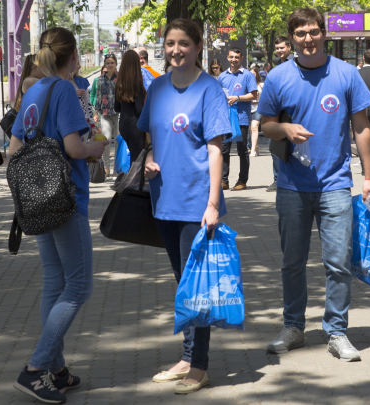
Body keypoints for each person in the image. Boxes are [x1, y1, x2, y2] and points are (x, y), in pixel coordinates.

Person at [257, 7, 370, 362]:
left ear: (324, 33)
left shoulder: (346, 74)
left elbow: (361, 127)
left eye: (313, 32)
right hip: (293, 185)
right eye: (300, 34)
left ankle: (337, 331)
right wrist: (285, 129)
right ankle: (293, 327)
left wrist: (369, 177)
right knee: (292, 262)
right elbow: (266, 126)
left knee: (338, 263)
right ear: (291, 38)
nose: (307, 39)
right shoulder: (278, 77)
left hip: (336, 185)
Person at [8, 27, 109, 404]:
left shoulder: (33, 90)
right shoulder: (65, 89)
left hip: (36, 198)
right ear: (74, 56)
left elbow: (14, 147)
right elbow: (73, 147)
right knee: (79, 285)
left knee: (54, 280)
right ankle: (35, 369)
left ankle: (56, 370)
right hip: (66, 196)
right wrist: (95, 147)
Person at [138, 18, 231, 395]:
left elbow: (215, 148)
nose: (176, 50)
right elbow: (149, 132)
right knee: (183, 286)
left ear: (197, 46)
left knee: (198, 287)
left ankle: (200, 367)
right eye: (170, 43)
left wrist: (212, 204)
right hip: (163, 200)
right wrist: (147, 158)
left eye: (183, 44)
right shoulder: (157, 86)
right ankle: (187, 357)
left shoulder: (210, 89)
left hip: (197, 204)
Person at [218, 47, 257, 191]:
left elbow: (254, 95)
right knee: (224, 150)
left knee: (242, 151)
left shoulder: (247, 75)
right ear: (227, 58)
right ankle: (223, 181)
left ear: (241, 59)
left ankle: (242, 181)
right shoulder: (222, 76)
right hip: (226, 119)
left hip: (241, 119)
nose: (233, 59)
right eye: (231, 57)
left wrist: (238, 98)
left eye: (236, 57)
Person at [267, 36, 294, 192]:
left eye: (282, 48)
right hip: (279, 110)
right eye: (277, 48)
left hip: (291, 112)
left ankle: (285, 180)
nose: (279, 51)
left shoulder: (295, 63)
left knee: (289, 147)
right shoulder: (279, 64)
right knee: (275, 146)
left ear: (289, 47)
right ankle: (278, 180)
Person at [114, 50, 146, 161]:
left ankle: (131, 177)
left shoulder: (119, 83)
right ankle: (133, 179)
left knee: (133, 156)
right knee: (137, 160)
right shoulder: (137, 82)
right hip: (135, 125)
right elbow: (140, 109)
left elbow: (116, 107)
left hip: (123, 124)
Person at [93, 55, 120, 178]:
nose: (110, 65)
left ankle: (117, 168)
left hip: (119, 113)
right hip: (105, 113)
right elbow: (98, 97)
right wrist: (95, 113)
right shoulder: (100, 79)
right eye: (108, 63)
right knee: (107, 140)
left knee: (119, 141)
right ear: (104, 65)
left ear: (116, 64)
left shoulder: (120, 78)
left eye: (112, 63)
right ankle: (106, 167)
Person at [70, 53, 99, 138]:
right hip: (70, 125)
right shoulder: (61, 83)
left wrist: (92, 125)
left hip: (83, 124)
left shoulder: (82, 81)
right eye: (77, 64)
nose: (79, 67)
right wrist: (72, 94)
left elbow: (87, 104)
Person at [249, 67, 263, 157]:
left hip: (259, 108)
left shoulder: (262, 84)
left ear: (257, 74)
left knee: (254, 127)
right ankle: (256, 146)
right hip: (248, 108)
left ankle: (253, 149)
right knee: (251, 130)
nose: (252, 75)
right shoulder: (247, 84)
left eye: (253, 74)